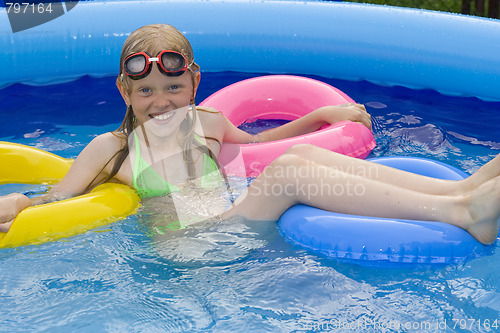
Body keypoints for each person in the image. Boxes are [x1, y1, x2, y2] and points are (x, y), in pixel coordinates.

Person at [0, 24, 499, 245]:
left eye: (173, 87)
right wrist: (19, 204)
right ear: (124, 91)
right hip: (192, 246)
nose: (161, 101)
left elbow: (264, 144)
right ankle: (460, 211)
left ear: (194, 83)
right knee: (287, 174)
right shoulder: (113, 149)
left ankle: (459, 188)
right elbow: (58, 197)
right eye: (146, 90)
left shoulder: (209, 125)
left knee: (296, 156)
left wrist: (321, 115)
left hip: (232, 224)